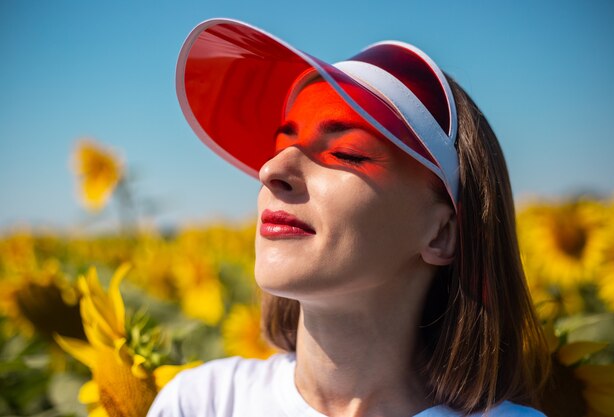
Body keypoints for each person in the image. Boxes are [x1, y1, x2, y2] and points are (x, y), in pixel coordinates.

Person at [148, 18, 550, 417]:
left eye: (346, 153)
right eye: (279, 146)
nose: (270, 171)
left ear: (442, 234)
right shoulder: (200, 403)